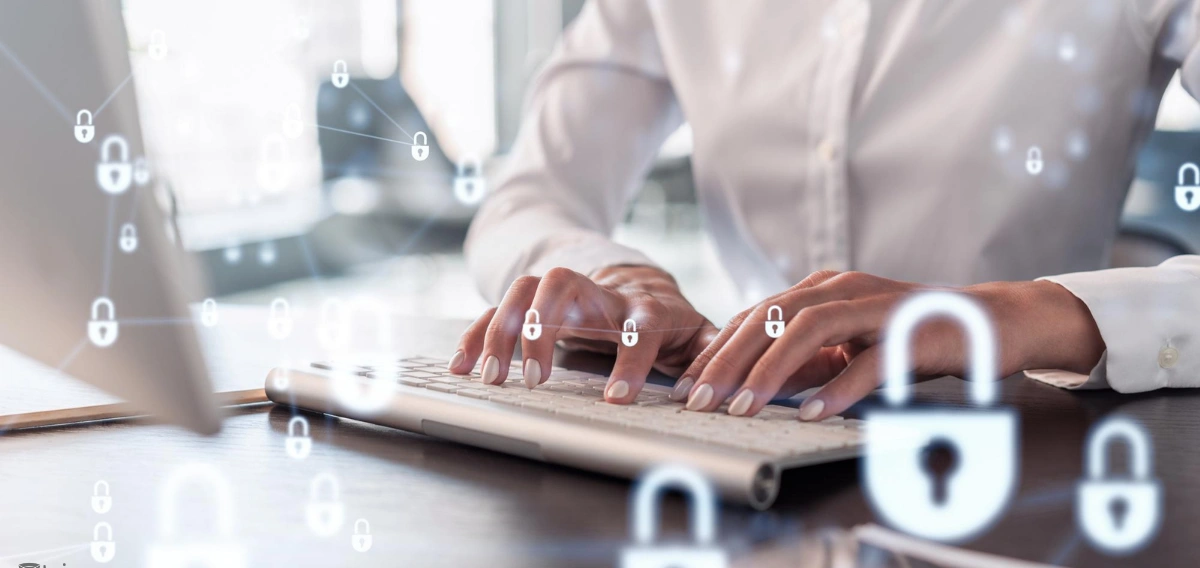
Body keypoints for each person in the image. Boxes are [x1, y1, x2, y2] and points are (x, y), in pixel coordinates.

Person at [450, 0, 1200, 421]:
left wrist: (1029, 312)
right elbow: (529, 198)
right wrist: (626, 280)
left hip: (1032, 452)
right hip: (750, 427)